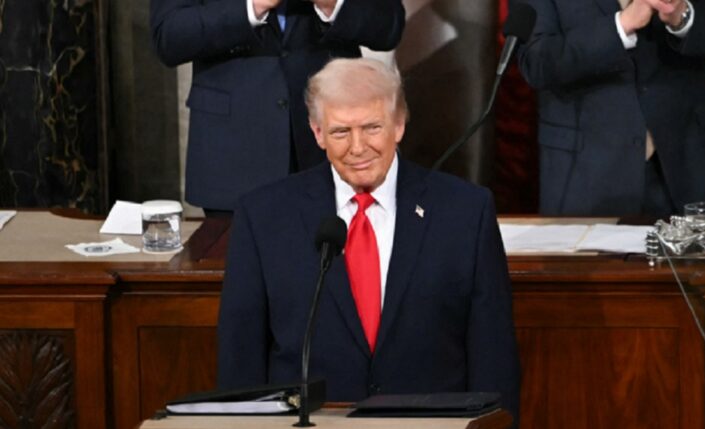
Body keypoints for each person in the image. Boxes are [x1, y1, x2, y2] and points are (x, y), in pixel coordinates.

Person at [217, 58, 520, 420]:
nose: (358, 148)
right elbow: (241, 358)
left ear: (399, 125)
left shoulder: (466, 212)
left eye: (372, 127)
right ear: (316, 132)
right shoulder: (264, 216)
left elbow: (493, 354)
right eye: (341, 132)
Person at [150, 0, 405, 216]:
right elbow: (169, 37)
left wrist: (332, 4)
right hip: (233, 155)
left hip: (331, 147)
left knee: (336, 272)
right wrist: (254, 6)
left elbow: (389, 25)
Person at [514, 0, 705, 217]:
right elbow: (537, 61)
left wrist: (681, 16)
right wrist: (622, 24)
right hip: (589, 174)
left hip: (695, 164)